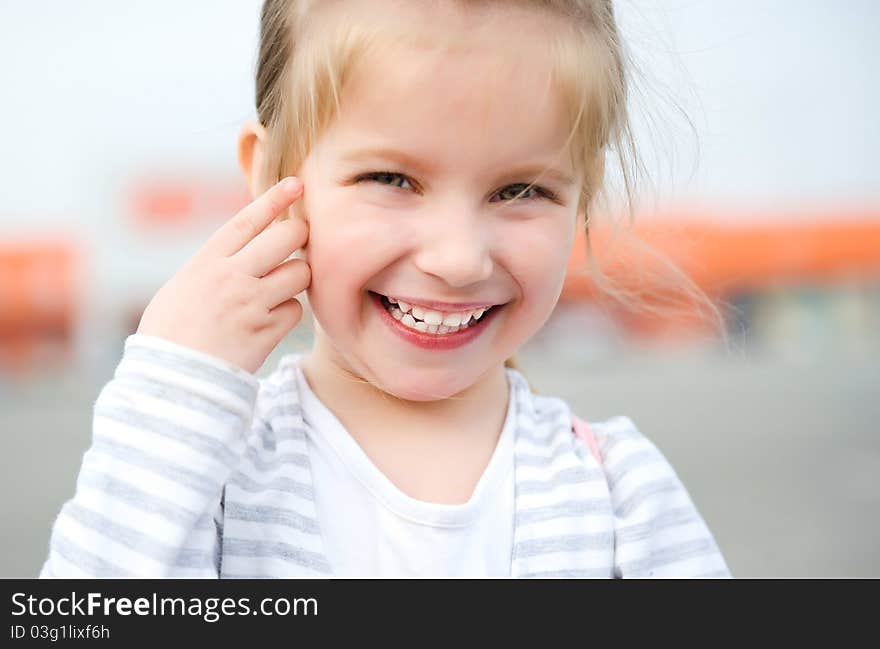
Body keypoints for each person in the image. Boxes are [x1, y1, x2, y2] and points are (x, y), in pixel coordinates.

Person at [39, 0, 731, 578]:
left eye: (521, 189)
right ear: (271, 179)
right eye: (391, 179)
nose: (458, 258)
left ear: (583, 202)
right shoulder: (205, 478)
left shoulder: (619, 496)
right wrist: (173, 392)